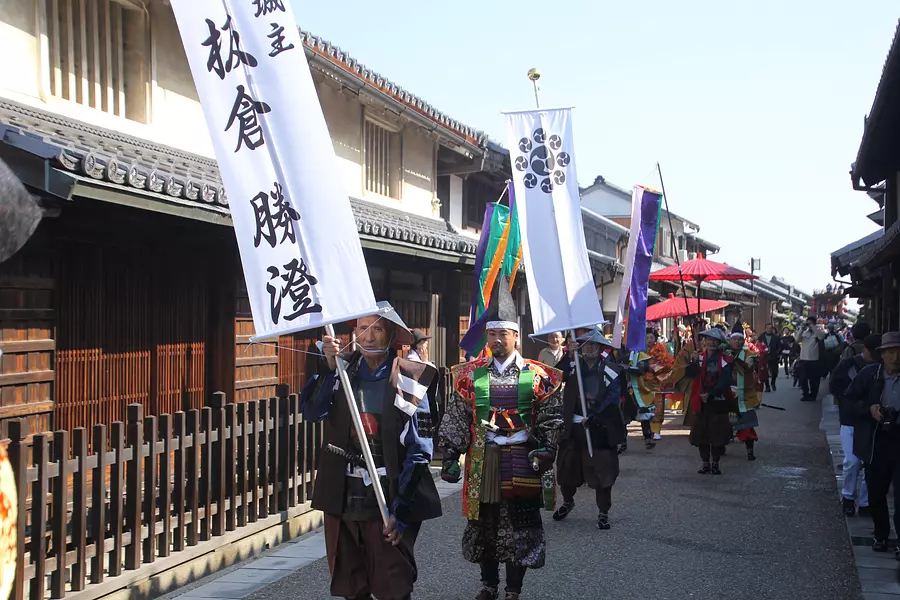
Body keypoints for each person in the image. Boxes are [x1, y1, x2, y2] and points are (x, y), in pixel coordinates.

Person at [299, 303, 442, 600]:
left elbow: (420, 450)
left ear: (391, 336)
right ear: (353, 333)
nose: (368, 336)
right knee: (351, 580)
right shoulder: (341, 370)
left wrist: (401, 508)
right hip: (344, 489)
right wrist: (327, 369)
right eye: (362, 328)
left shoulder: (408, 377)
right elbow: (312, 411)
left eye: (377, 328)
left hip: (388, 491)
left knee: (393, 581)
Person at [438, 276, 563, 600]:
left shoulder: (538, 375)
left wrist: (548, 447)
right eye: (491, 333)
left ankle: (513, 588)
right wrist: (451, 455)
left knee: (521, 524)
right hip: (484, 457)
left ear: (516, 337)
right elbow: (457, 414)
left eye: (502, 333)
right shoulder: (471, 375)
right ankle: (488, 584)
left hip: (523, 456)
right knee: (486, 524)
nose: (496, 339)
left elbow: (551, 416)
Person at [551, 327, 625, 529]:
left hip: (599, 428)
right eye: (584, 344)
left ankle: (603, 511)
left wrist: (595, 418)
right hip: (573, 428)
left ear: (601, 347)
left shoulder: (611, 370)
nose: (588, 348)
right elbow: (554, 377)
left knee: (603, 473)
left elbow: (612, 399)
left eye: (592, 344)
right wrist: (568, 354)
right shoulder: (573, 365)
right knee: (567, 469)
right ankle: (568, 501)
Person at [846, 332, 900, 555]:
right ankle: (881, 535)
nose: (895, 357)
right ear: (882, 354)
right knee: (876, 493)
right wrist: (869, 409)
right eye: (889, 352)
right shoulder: (869, 374)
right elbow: (848, 400)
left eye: (898, 352)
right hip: (876, 438)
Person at [830, 333, 880, 517]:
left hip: (873, 422)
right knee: (852, 462)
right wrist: (846, 401)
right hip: (850, 420)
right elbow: (834, 385)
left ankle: (866, 502)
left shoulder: (884, 369)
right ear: (864, 348)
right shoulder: (849, 364)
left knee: (870, 463)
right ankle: (848, 497)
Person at [673, 328, 735, 475]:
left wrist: (712, 394)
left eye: (714, 340)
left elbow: (725, 380)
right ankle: (705, 462)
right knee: (702, 435)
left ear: (719, 343)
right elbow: (691, 375)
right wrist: (693, 363)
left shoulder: (725, 360)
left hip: (718, 401)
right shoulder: (699, 358)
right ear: (704, 342)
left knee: (718, 435)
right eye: (709, 339)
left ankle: (716, 463)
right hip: (701, 401)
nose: (711, 342)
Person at [727, 330, 762, 461]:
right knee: (722, 423)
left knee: (747, 425)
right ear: (730, 341)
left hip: (745, 394)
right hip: (727, 393)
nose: (737, 341)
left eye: (740, 339)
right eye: (734, 339)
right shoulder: (724, 354)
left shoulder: (751, 354)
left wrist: (733, 359)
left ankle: (750, 451)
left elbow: (747, 368)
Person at [797, 316, 826, 401]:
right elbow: (797, 340)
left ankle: (813, 395)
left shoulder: (818, 331)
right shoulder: (804, 332)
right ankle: (805, 394)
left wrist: (813, 327)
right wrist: (801, 329)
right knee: (803, 378)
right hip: (804, 359)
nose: (808, 325)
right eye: (808, 323)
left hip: (814, 359)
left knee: (814, 379)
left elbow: (821, 337)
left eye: (810, 323)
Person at [757, 323, 781, 392]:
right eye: (767, 328)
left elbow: (779, 346)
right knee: (765, 372)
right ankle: (767, 386)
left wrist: (777, 353)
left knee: (774, 371)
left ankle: (773, 383)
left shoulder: (776, 337)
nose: (769, 329)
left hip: (774, 356)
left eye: (770, 328)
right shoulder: (761, 337)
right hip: (764, 357)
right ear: (765, 329)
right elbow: (758, 345)